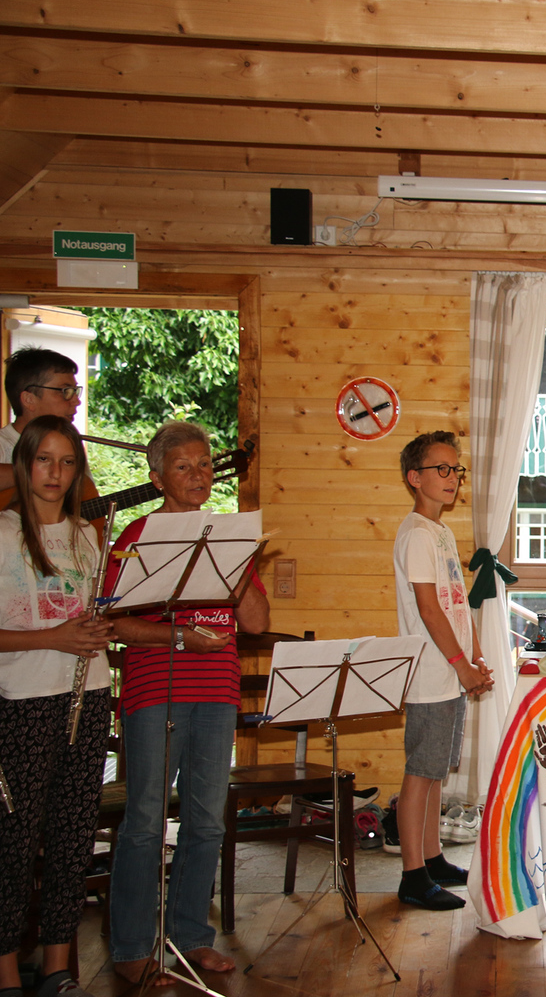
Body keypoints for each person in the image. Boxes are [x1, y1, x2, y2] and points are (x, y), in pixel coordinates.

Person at [106, 421, 269, 985]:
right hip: (155, 691)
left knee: (206, 823)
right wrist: (178, 638)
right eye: (183, 466)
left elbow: (256, 623)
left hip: (217, 690)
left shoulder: (228, 535)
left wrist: (238, 564)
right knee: (145, 823)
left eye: (204, 464)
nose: (198, 474)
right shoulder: (137, 534)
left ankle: (190, 936)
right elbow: (114, 622)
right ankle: (130, 945)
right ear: (157, 478)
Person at [0, 417, 112, 997]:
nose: (55, 473)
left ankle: (57, 969)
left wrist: (100, 630)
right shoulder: (3, 533)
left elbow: (94, 615)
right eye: (44, 459)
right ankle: (5, 976)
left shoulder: (88, 536)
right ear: (24, 464)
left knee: (73, 836)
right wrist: (55, 637)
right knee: (14, 843)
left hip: (89, 695)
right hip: (23, 702)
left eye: (67, 462)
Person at [392, 430, 492, 910]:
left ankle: (432, 859)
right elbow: (429, 609)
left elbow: (457, 604)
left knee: (437, 773)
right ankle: (412, 876)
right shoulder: (416, 534)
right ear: (415, 478)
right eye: (442, 469)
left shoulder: (442, 532)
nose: (453, 478)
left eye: (456, 470)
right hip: (431, 675)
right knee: (421, 773)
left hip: (452, 671)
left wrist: (475, 657)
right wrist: (458, 664)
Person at [0, 347, 84, 491]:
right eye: (66, 391)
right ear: (29, 399)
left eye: (75, 391)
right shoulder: (2, 446)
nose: (77, 401)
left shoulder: (69, 445)